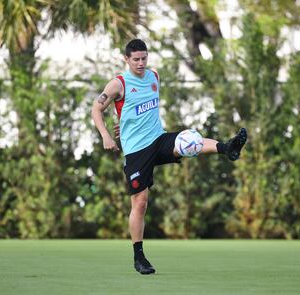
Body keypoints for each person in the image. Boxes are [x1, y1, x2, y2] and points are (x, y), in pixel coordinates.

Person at [91, 39, 247, 275]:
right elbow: (96, 108)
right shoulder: (118, 84)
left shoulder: (154, 76)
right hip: (136, 151)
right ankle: (139, 256)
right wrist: (107, 135)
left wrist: (123, 121)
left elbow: (137, 110)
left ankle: (228, 148)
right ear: (126, 59)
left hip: (158, 139)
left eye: (144, 58)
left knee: (189, 140)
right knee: (140, 203)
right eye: (136, 59)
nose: (141, 63)